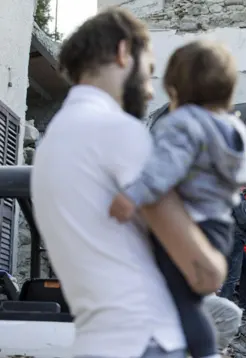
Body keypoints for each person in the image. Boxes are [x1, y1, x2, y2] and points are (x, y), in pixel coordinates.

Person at [31, 8, 191, 358]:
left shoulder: (49, 147)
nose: (149, 92)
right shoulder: (117, 131)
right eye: (148, 73)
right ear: (123, 53)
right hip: (144, 339)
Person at [107, 39, 246, 358]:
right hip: (218, 228)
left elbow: (160, 173)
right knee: (190, 300)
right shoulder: (234, 130)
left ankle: (198, 351)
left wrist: (129, 197)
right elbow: (242, 178)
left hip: (188, 224)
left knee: (171, 298)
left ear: (175, 88)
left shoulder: (180, 124)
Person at [220, 194, 246, 313]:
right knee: (232, 277)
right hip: (235, 239)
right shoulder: (236, 196)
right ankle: (222, 311)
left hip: (227, 237)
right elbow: (244, 220)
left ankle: (243, 307)